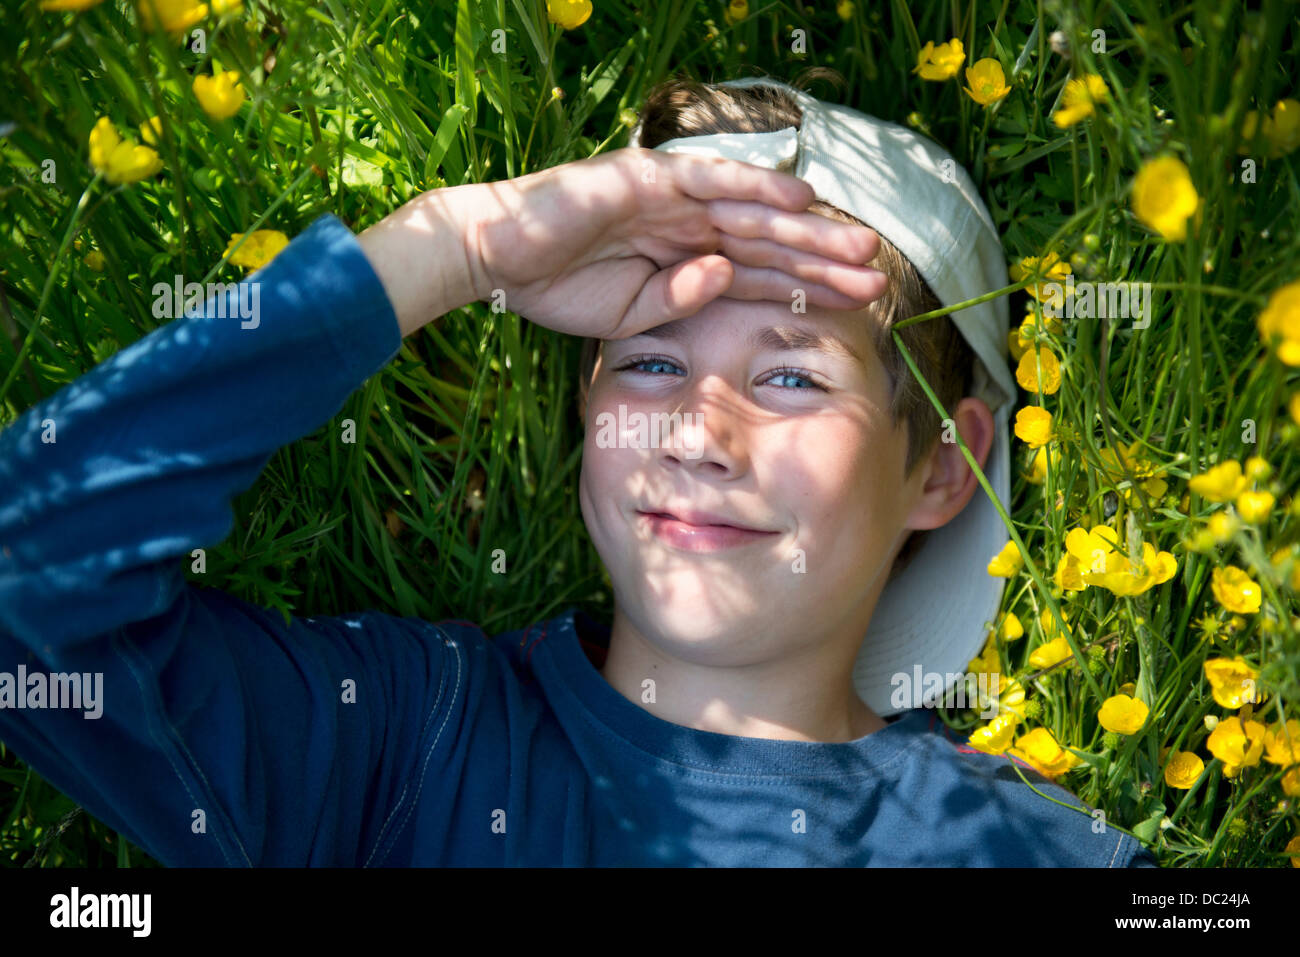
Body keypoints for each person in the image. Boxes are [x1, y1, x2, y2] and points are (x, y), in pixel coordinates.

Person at [0, 73, 1157, 866]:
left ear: (943, 471)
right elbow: (26, 569)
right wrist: (453, 248)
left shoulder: (1030, 849)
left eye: (792, 377)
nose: (697, 434)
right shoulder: (402, 744)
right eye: (650, 365)